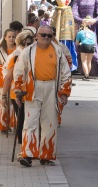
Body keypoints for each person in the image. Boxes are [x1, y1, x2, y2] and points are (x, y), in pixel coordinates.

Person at [13, 25, 72, 167]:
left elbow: (66, 73)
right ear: (37, 36)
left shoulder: (58, 52)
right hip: (32, 89)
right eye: (43, 35)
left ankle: (46, 156)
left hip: (52, 88)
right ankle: (27, 155)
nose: (46, 38)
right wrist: (18, 91)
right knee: (30, 122)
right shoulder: (27, 52)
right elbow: (19, 71)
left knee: (50, 123)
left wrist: (64, 93)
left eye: (49, 35)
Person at [1, 30, 35, 146]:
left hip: (32, 93)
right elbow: (8, 78)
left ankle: (30, 143)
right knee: (21, 119)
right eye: (23, 44)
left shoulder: (35, 54)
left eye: (29, 44)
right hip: (17, 93)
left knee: (30, 120)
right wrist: (4, 96)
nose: (26, 46)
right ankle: (23, 145)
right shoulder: (15, 56)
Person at [72, 0, 98, 77]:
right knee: (79, 47)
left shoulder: (96, 0)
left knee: (93, 49)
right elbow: (73, 14)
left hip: (93, 29)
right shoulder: (77, 0)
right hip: (80, 28)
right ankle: (79, 70)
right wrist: (82, 21)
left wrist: (94, 20)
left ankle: (93, 71)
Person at [0, 29, 17, 132]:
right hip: (2, 79)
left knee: (13, 102)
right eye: (9, 37)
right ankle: (3, 125)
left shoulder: (18, 50)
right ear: (5, 37)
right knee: (4, 102)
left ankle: (13, 125)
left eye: (13, 37)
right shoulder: (1, 50)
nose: (11, 39)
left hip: (15, 79)